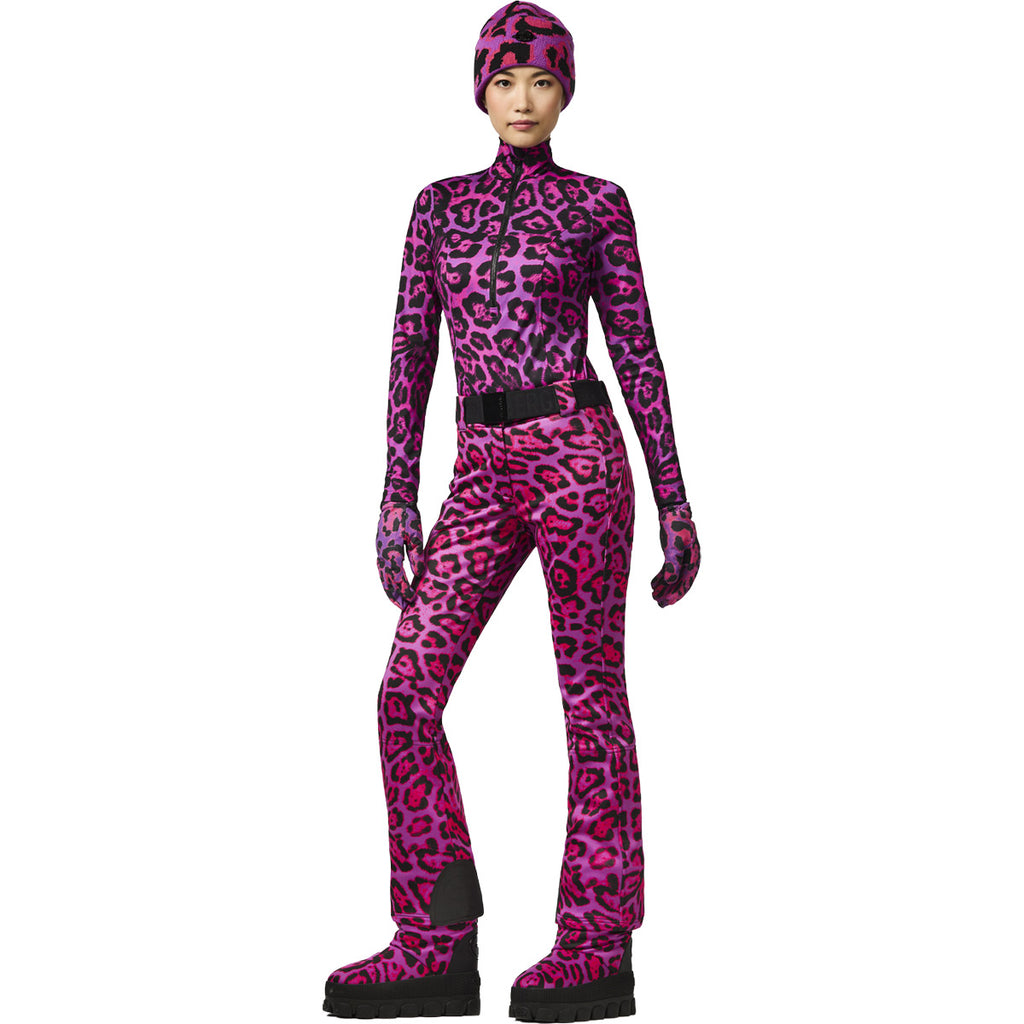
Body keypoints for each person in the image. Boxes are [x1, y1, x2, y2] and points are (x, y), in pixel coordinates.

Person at [323, 3, 701, 1019]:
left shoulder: (597, 204)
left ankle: (598, 942)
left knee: (590, 697)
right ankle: (434, 939)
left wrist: (674, 501)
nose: (523, 99)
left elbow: (639, 356)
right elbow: (410, 355)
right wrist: (395, 494)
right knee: (405, 691)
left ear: (565, 91)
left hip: (578, 455)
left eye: (542, 80)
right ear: (480, 90)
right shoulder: (438, 208)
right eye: (504, 80)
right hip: (481, 469)